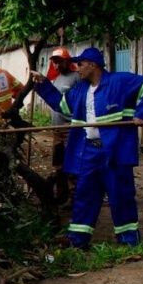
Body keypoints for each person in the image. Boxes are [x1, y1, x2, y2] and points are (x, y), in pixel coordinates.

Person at [30, 47, 143, 248]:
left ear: (93, 65)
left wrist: (142, 112)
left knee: (120, 194)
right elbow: (62, 106)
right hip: (88, 150)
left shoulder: (119, 81)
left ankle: (128, 240)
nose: (77, 68)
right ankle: (78, 239)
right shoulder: (81, 89)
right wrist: (43, 85)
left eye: (80, 64)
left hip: (114, 150)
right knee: (85, 194)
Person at [46, 47, 79, 202]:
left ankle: (75, 198)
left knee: (72, 165)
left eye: (60, 62)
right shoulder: (57, 79)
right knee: (58, 165)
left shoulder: (76, 78)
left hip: (70, 129)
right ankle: (61, 196)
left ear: (67, 61)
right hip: (57, 129)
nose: (57, 65)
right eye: (54, 62)